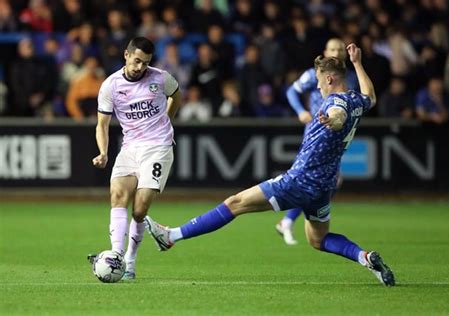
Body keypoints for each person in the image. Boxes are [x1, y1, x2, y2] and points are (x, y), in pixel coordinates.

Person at [145, 44, 396, 287]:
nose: (318, 87)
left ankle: (171, 236)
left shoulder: (336, 104)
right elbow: (370, 96)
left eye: (320, 81)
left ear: (330, 79)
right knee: (318, 239)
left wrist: (332, 120)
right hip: (325, 184)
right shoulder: (355, 100)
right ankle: (364, 257)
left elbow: (337, 115)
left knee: (235, 203)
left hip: (300, 180)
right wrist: (357, 64)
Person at [87, 37, 181, 280]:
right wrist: (104, 152)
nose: (141, 67)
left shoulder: (160, 78)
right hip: (130, 148)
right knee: (118, 195)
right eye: (137, 61)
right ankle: (117, 257)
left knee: (139, 210)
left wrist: (167, 119)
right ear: (126, 55)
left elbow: (176, 95)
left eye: (146, 63)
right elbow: (102, 125)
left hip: (158, 147)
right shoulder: (110, 85)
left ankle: (130, 257)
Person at [277, 38, 355, 246]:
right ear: (325, 50)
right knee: (318, 180)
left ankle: (288, 220)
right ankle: (289, 220)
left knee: (325, 182)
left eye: (340, 49)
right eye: (333, 49)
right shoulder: (315, 74)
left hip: (336, 135)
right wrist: (301, 111)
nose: (337, 52)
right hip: (319, 133)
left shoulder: (349, 78)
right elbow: (292, 91)